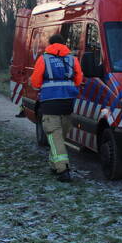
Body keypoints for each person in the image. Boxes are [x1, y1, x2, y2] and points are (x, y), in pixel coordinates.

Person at [30, 33, 84, 181]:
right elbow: (79, 79)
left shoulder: (43, 59)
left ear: (50, 44)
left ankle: (63, 170)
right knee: (60, 136)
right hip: (68, 102)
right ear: (63, 43)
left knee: (55, 136)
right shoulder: (72, 59)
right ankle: (54, 165)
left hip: (50, 102)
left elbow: (35, 82)